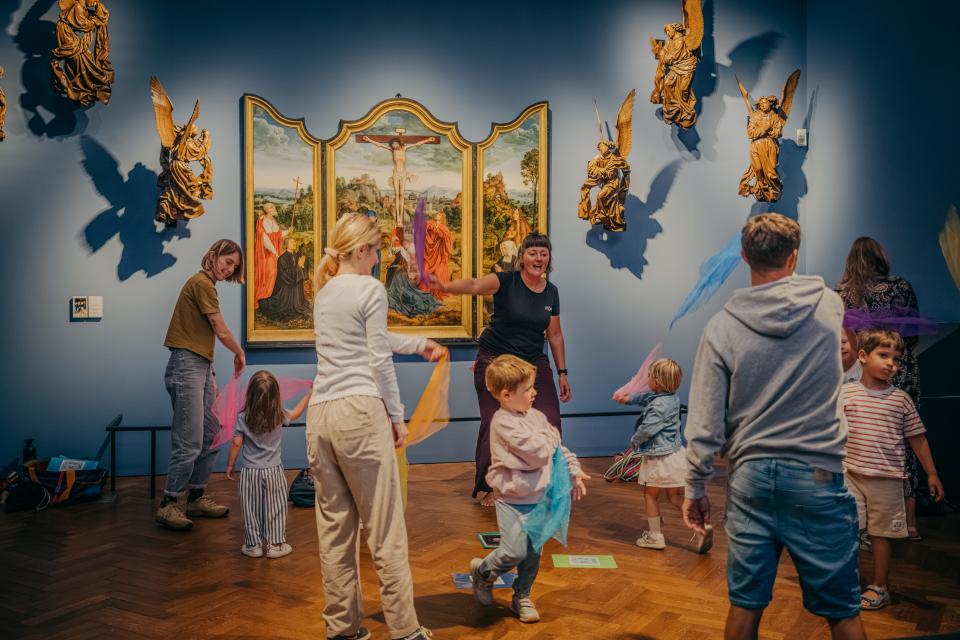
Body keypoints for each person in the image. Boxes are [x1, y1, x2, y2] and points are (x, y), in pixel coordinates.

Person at [682, 213, 867, 640]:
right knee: (842, 612)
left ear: (744, 256)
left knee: (745, 606)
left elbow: (706, 421)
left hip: (751, 477)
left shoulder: (721, 327)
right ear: (794, 256)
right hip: (817, 475)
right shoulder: (828, 304)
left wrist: (694, 487)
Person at [307, 212, 442, 640]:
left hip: (320, 415)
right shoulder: (371, 288)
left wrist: (420, 344)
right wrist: (397, 417)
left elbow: (371, 342)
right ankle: (404, 630)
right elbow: (378, 359)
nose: (379, 256)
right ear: (362, 250)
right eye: (377, 249)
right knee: (385, 528)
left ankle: (343, 628)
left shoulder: (324, 292)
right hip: (361, 413)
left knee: (334, 531)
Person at [427, 232, 570, 507]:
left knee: (550, 421)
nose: (538, 258)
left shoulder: (551, 292)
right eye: (532, 253)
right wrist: (444, 284)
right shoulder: (505, 281)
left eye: (543, 253)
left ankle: (543, 483)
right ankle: (496, 487)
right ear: (522, 258)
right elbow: (474, 284)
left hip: (532, 363)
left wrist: (563, 373)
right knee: (497, 424)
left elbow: (554, 335)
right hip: (496, 362)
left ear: (548, 258)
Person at [468, 355, 588, 624]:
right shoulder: (502, 422)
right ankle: (484, 572)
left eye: (533, 387)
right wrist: (549, 438)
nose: (535, 393)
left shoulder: (535, 417)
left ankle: (521, 596)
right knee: (513, 552)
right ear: (507, 394)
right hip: (511, 500)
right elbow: (538, 452)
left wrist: (574, 470)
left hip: (538, 500)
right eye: (528, 389)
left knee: (532, 556)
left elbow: (557, 449)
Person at [841, 328, 944, 611]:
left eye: (896, 359)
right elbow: (830, 431)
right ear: (862, 356)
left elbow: (918, 438)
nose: (891, 364)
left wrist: (932, 473)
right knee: (848, 531)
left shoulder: (900, 400)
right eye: (883, 355)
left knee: (880, 535)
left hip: (887, 481)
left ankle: (880, 586)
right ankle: (846, 583)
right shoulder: (846, 393)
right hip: (850, 476)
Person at [837, 236, 924, 539]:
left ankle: (862, 524)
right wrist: (895, 357)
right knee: (906, 441)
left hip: (862, 371)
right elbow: (912, 333)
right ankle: (908, 523)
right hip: (902, 369)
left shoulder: (842, 292)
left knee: (861, 440)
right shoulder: (900, 286)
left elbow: (844, 338)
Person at [157, 239, 246, 531]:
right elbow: (219, 329)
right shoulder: (202, 283)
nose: (228, 267)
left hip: (201, 366)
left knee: (214, 431)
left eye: (234, 265)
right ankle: (169, 504)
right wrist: (239, 352)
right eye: (226, 260)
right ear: (212, 256)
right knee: (189, 439)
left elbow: (207, 338)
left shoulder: (208, 285)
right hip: (186, 365)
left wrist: (212, 376)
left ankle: (195, 497)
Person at [615, 358, 712, 553]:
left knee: (650, 495)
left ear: (657, 382)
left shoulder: (659, 406)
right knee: (674, 497)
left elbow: (648, 428)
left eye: (650, 377)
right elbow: (645, 398)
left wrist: (635, 441)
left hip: (659, 459)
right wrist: (628, 399)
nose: (647, 379)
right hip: (675, 456)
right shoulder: (671, 398)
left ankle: (655, 536)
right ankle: (699, 522)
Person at [226, 370, 310, 559]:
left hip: (250, 471)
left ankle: (253, 545)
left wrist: (230, 465)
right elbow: (296, 413)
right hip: (274, 470)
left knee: (250, 508)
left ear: (250, 394)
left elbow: (236, 442)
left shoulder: (242, 417)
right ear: (276, 395)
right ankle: (275, 545)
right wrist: (309, 394)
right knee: (277, 507)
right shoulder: (278, 414)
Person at [385, 236, 441, 317]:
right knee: (391, 277)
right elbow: (395, 260)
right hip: (397, 268)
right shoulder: (395, 249)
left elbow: (403, 262)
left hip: (400, 271)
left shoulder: (400, 249)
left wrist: (395, 267)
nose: (396, 242)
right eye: (394, 241)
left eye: (397, 241)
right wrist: (391, 266)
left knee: (400, 288)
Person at [259, 236, 310, 322]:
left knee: (302, 306)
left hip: (297, 288)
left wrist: (303, 266)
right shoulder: (282, 258)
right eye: (291, 242)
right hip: (286, 289)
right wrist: (299, 267)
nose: (294, 243)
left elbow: (303, 273)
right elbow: (287, 276)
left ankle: (297, 303)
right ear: (286, 245)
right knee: (278, 305)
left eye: (294, 242)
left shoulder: (298, 256)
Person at [254, 203, 289, 308]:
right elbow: (265, 240)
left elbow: (278, 234)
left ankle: (271, 299)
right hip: (267, 255)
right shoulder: (263, 221)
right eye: (272, 207)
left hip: (275, 253)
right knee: (270, 273)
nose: (274, 208)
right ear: (268, 210)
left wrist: (288, 231)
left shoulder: (273, 220)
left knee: (276, 274)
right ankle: (263, 297)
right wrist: (275, 253)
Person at [418, 210, 453, 297]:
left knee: (438, 273)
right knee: (425, 270)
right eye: (435, 218)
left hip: (438, 255)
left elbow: (447, 239)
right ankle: (424, 290)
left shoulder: (444, 228)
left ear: (441, 220)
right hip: (429, 254)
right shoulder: (429, 224)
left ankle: (436, 292)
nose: (435, 220)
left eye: (438, 219)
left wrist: (437, 231)